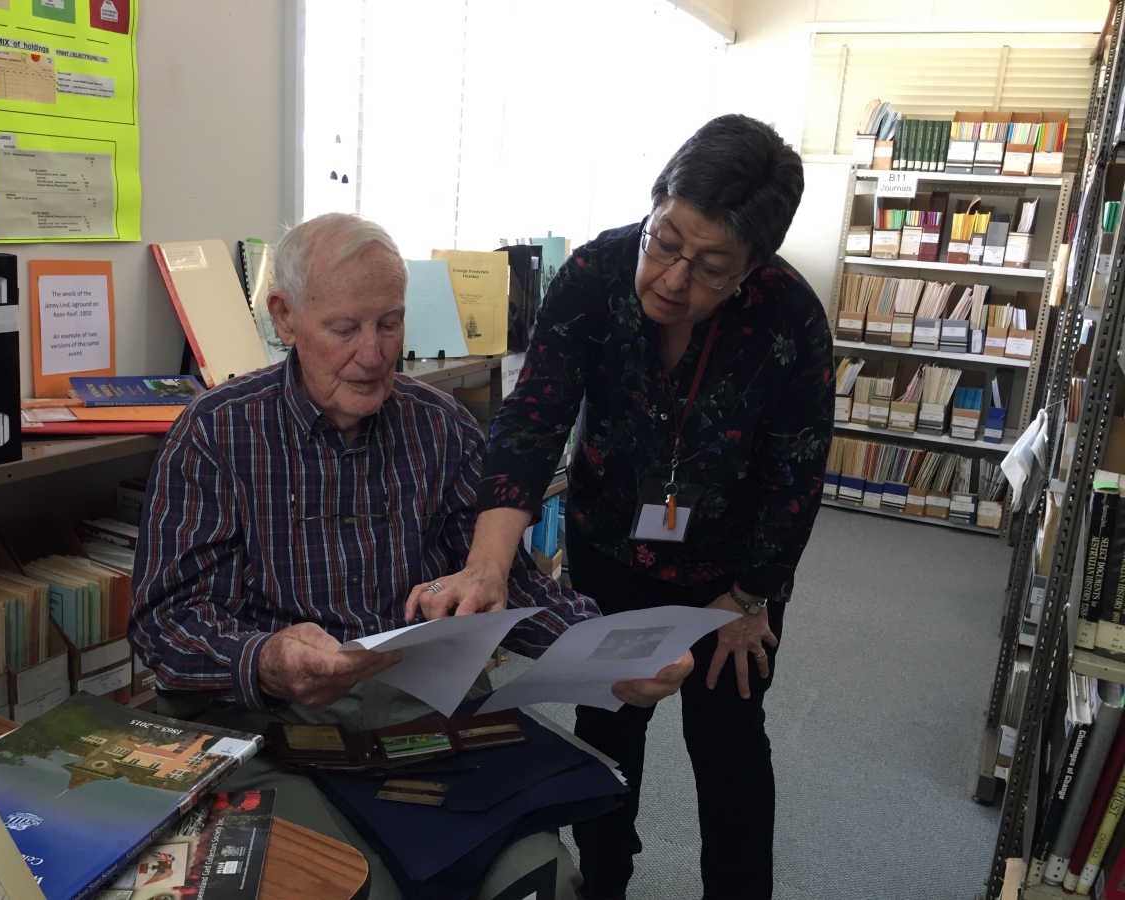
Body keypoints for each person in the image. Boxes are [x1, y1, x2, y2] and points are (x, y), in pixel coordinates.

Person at [128, 212, 694, 900]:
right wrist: (267, 659)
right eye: (345, 329)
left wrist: (606, 650)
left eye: (389, 324)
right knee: (354, 886)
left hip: (418, 713)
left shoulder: (440, 426)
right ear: (286, 317)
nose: (374, 353)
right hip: (263, 725)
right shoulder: (215, 434)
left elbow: (507, 583)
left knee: (542, 880)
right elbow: (166, 623)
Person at [408, 115, 834, 899]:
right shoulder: (597, 275)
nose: (673, 279)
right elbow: (532, 419)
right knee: (606, 740)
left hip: (730, 580)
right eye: (666, 240)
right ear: (655, 201)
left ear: (752, 268)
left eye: (711, 267)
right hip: (610, 552)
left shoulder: (791, 319)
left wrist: (750, 596)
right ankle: (603, 885)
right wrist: (489, 564)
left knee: (730, 746)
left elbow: (797, 472)